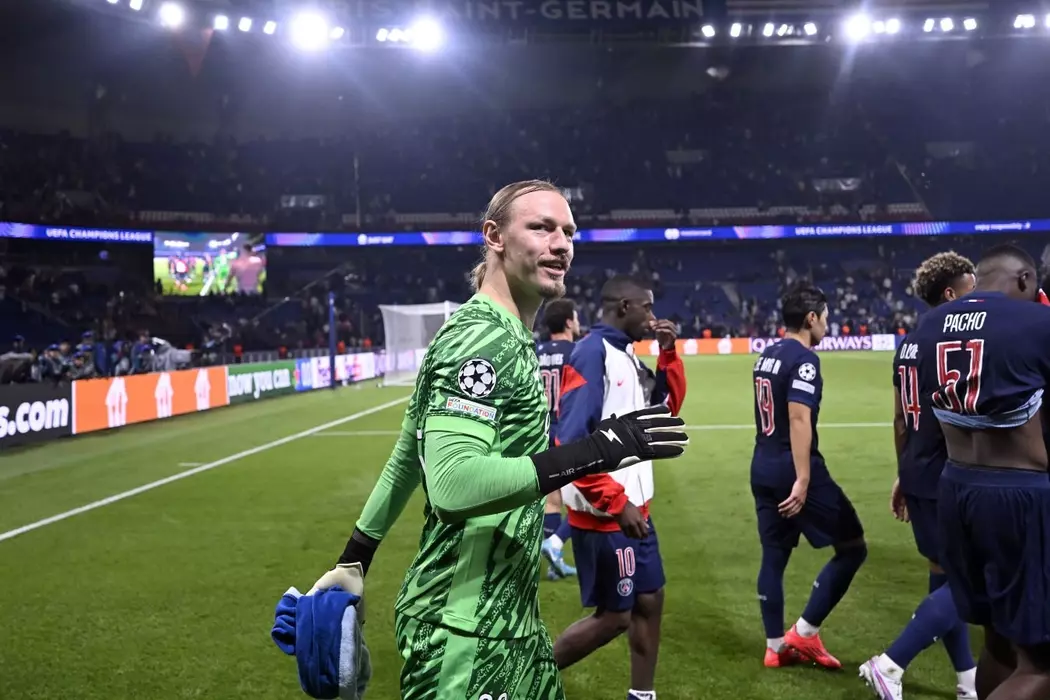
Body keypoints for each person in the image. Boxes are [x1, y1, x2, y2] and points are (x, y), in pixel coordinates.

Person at [313, 180, 690, 700]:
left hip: (510, 618)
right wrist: (600, 449)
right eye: (542, 228)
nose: (561, 244)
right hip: (465, 629)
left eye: (569, 232)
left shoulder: (505, 333)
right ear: (494, 236)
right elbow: (451, 484)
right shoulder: (481, 338)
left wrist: (355, 558)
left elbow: (407, 457)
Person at [911, 243, 1050, 700]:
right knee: (1041, 663)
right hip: (1019, 493)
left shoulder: (929, 325)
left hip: (956, 487)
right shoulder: (1035, 322)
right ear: (1025, 280)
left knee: (998, 644)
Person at [550, 274, 687, 700]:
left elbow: (664, 412)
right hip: (606, 514)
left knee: (650, 599)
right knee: (614, 616)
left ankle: (642, 696)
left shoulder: (626, 354)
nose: (653, 316)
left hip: (634, 511)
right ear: (625, 307)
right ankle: (520, 678)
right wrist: (615, 501)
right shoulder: (592, 353)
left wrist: (668, 355)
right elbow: (570, 443)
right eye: (647, 307)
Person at [860, 252, 978, 700]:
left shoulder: (909, 342)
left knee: (943, 574)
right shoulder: (952, 340)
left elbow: (899, 420)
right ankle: (890, 663)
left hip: (918, 469)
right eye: (971, 288)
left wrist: (903, 473)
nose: (978, 295)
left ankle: (967, 680)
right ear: (950, 294)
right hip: (950, 472)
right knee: (970, 579)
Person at [751, 282, 867, 670]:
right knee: (853, 547)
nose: (827, 325)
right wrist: (802, 479)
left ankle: (774, 647)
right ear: (811, 318)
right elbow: (799, 418)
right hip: (794, 468)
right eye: (826, 318)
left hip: (762, 464)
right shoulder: (805, 360)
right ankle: (804, 632)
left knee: (774, 556)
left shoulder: (766, 356)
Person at [536, 298, 581, 580]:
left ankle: (555, 564)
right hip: (568, 431)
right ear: (567, 322)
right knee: (586, 498)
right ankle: (556, 542)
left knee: (552, 501)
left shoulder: (536, 353)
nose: (577, 321)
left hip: (541, 431)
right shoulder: (577, 352)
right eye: (575, 317)